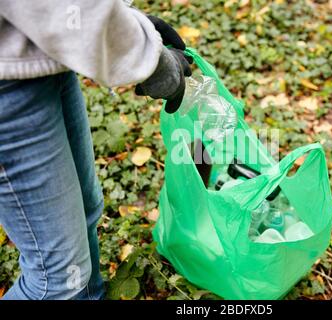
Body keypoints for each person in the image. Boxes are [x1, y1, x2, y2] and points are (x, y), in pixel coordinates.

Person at [0, 0, 192, 300]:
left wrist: (123, 20)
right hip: (7, 90)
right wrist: (153, 63)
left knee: (86, 209)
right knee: (57, 280)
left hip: (39, 55)